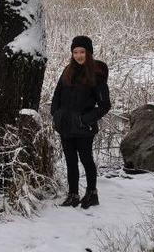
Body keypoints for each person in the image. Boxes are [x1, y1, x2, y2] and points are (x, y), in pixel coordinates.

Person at [50, 35, 111, 209]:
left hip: (84, 127)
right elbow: (57, 94)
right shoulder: (67, 71)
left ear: (89, 53)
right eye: (75, 52)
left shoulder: (97, 74)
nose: (78, 55)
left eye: (82, 52)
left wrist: (84, 120)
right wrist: (56, 114)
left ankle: (92, 194)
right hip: (66, 126)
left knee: (86, 159)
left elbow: (105, 105)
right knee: (70, 161)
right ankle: (73, 194)